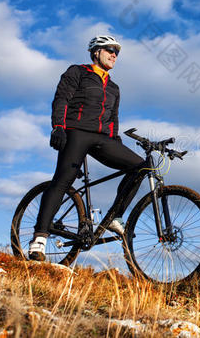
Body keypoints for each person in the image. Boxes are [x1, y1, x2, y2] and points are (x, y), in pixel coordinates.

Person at [29, 35, 144, 261]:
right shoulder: (78, 72)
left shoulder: (113, 87)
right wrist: (58, 127)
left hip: (102, 138)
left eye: (117, 52)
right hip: (76, 132)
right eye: (110, 49)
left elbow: (113, 118)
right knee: (63, 180)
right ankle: (39, 238)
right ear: (96, 52)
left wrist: (115, 141)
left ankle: (114, 217)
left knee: (140, 167)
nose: (114, 55)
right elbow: (61, 99)